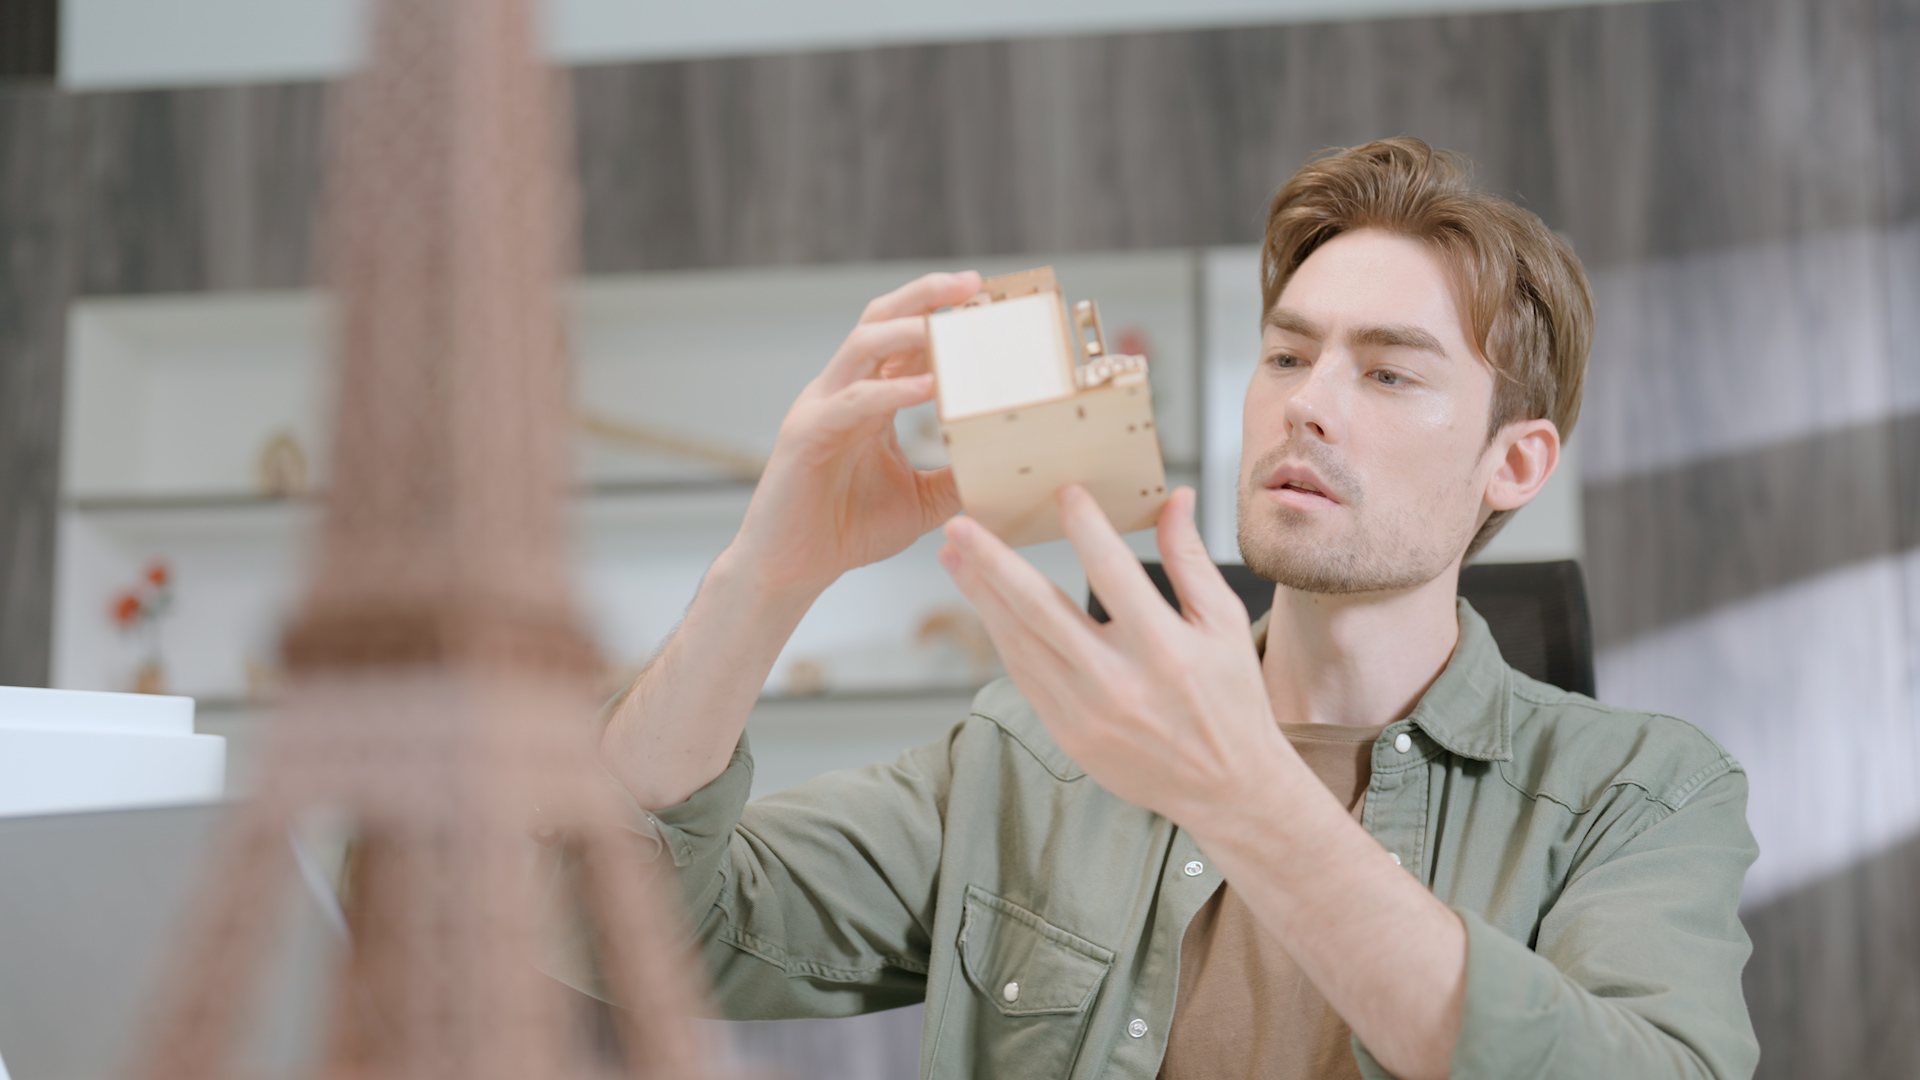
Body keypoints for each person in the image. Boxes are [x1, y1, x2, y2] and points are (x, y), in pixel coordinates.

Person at [594, 138, 1759, 1080]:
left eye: (1390, 372)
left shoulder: (1643, 795)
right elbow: (618, 925)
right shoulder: (1032, 759)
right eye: (1287, 356)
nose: (1309, 405)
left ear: (1516, 464)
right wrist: (767, 575)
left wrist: (1241, 790)